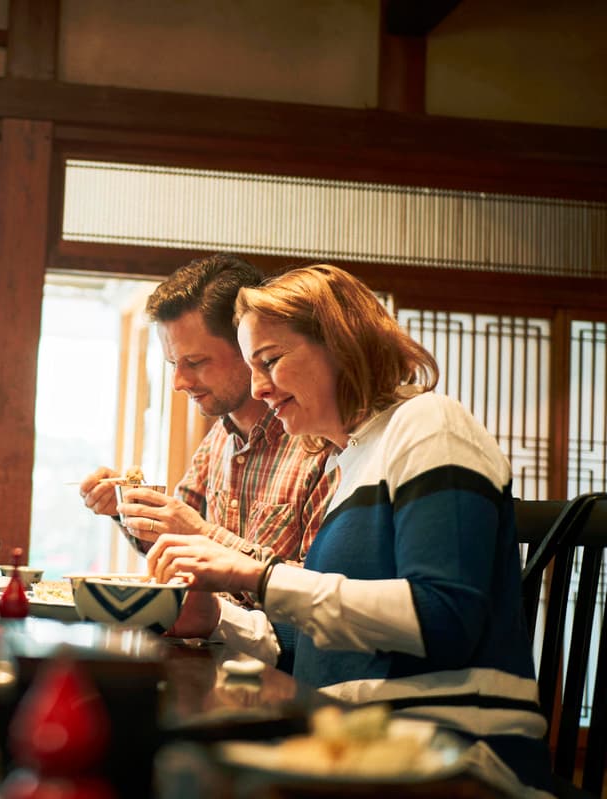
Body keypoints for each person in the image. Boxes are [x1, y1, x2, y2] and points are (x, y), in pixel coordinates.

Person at [148, 264, 552, 796]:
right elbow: (316, 641)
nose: (260, 389)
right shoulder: (351, 463)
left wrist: (259, 576)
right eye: (251, 368)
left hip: (455, 753)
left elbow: (446, 616)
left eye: (270, 361)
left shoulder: (428, 423)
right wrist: (218, 617)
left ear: (341, 344)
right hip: (360, 744)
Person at [79, 255, 334, 572]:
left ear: (248, 346)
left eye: (195, 362)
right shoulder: (219, 438)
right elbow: (174, 538)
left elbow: (318, 587)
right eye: (173, 364)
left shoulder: (319, 442)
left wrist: (201, 534)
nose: (179, 383)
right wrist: (124, 507)